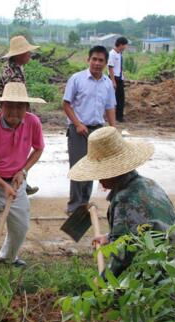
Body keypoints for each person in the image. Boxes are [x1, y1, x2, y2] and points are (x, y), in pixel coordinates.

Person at [68, 126, 175, 289]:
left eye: (102, 173)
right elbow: (139, 228)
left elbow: (123, 256)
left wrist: (102, 281)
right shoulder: (149, 184)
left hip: (164, 281)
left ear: (115, 171)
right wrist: (109, 237)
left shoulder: (124, 199)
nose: (99, 179)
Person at [0, 82, 45, 267]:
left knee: (20, 227)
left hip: (17, 183)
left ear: (27, 108)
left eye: (19, 106)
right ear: (1, 106)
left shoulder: (32, 122)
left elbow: (39, 148)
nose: (14, 111)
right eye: (9, 105)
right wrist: (3, 185)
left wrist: (23, 171)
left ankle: (8, 257)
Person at [63, 45, 116, 216]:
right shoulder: (77, 79)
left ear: (106, 63)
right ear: (88, 60)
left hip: (97, 131)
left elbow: (110, 107)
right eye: (94, 59)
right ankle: (74, 206)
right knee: (78, 167)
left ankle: (84, 203)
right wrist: (78, 124)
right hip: (78, 130)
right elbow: (66, 104)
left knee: (93, 168)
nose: (97, 63)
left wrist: (113, 129)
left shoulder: (107, 83)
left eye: (101, 60)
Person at [0, 35, 41, 196]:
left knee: (16, 150)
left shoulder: (16, 68)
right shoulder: (12, 73)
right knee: (12, 150)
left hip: (10, 113)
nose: (29, 55)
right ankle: (13, 182)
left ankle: (21, 179)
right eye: (26, 52)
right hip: (9, 116)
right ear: (18, 54)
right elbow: (14, 101)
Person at [108, 37, 128, 123]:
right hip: (114, 78)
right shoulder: (112, 54)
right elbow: (110, 68)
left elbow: (119, 67)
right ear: (120, 44)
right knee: (114, 99)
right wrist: (113, 81)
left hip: (119, 78)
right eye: (124, 45)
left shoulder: (119, 54)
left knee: (120, 98)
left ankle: (119, 116)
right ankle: (115, 116)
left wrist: (123, 76)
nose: (125, 47)